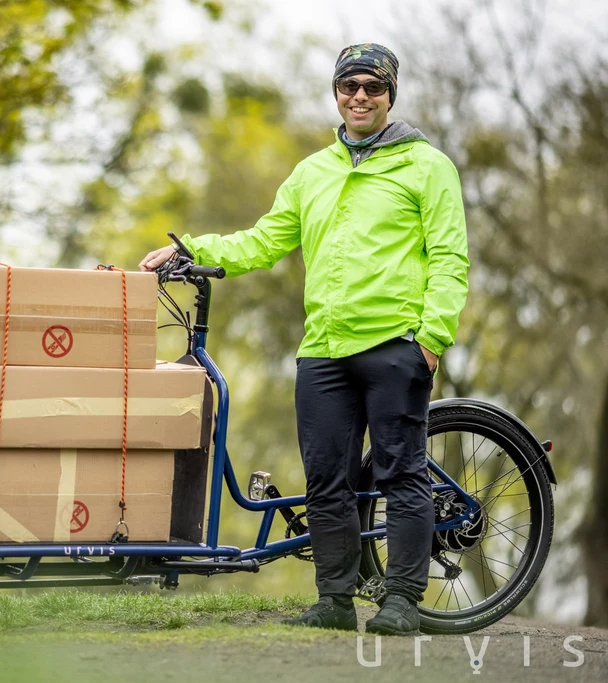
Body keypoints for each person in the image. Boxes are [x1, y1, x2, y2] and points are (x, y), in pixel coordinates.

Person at [139, 43, 469, 636]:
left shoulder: (428, 166)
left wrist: (432, 336)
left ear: (391, 94)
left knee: (401, 474)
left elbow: (449, 257)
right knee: (326, 478)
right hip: (323, 350)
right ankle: (336, 600)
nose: (360, 96)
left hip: (395, 342)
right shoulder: (313, 171)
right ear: (337, 94)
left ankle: (400, 602)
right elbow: (263, 241)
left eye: (372, 87)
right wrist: (195, 249)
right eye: (349, 86)